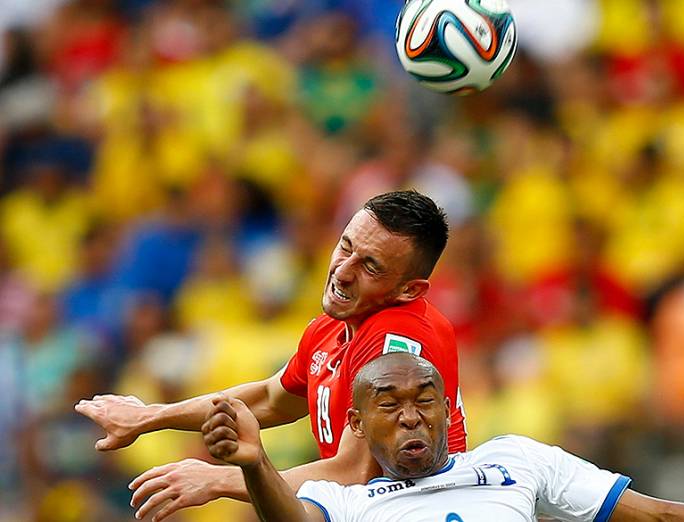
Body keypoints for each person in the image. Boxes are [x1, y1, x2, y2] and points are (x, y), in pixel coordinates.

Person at [75, 191, 467, 520]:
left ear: (409, 291)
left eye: (371, 266)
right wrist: (152, 416)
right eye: (345, 247)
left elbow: (356, 471)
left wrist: (217, 480)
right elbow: (271, 399)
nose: (342, 272)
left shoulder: (396, 340)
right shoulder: (333, 327)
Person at [204, 352, 684, 522]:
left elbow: (655, 516)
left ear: (449, 408)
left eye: (425, 400)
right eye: (389, 405)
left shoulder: (516, 458)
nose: (411, 416)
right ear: (355, 424)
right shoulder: (339, 498)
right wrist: (255, 465)